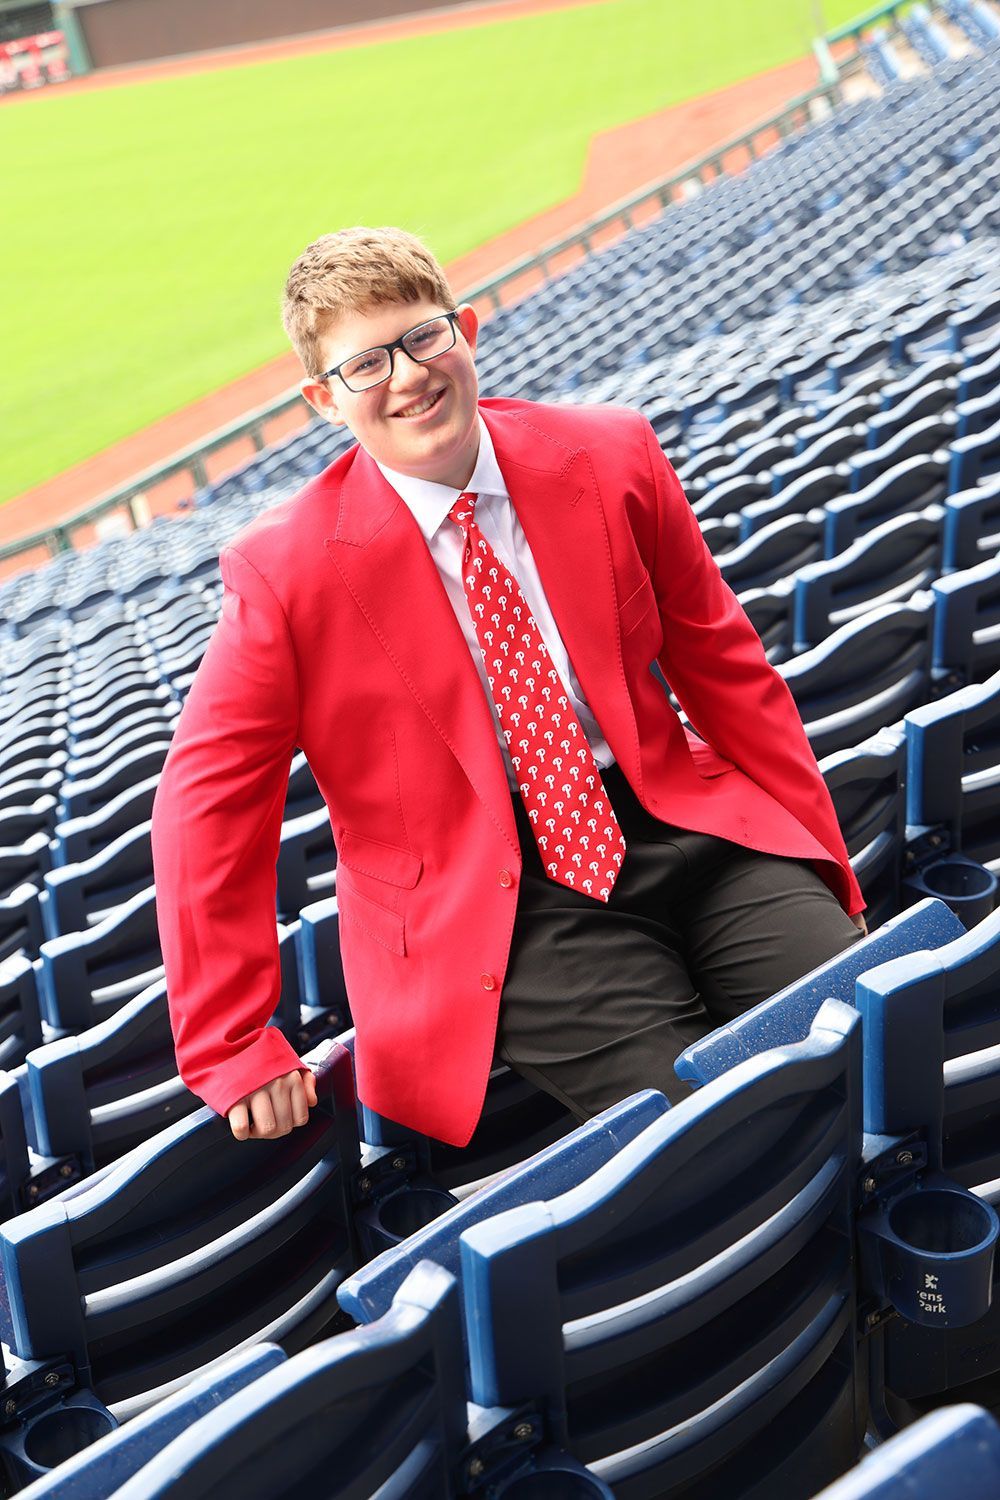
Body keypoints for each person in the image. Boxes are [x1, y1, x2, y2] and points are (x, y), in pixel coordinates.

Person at [150, 225, 866, 1150]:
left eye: (422, 338)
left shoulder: (611, 456)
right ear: (324, 400)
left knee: (861, 1024)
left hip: (686, 824)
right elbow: (206, 802)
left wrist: (825, 856)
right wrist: (231, 1036)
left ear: (467, 331)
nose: (407, 376)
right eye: (366, 365)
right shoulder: (283, 572)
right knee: (713, 1140)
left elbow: (727, 668)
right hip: (504, 902)